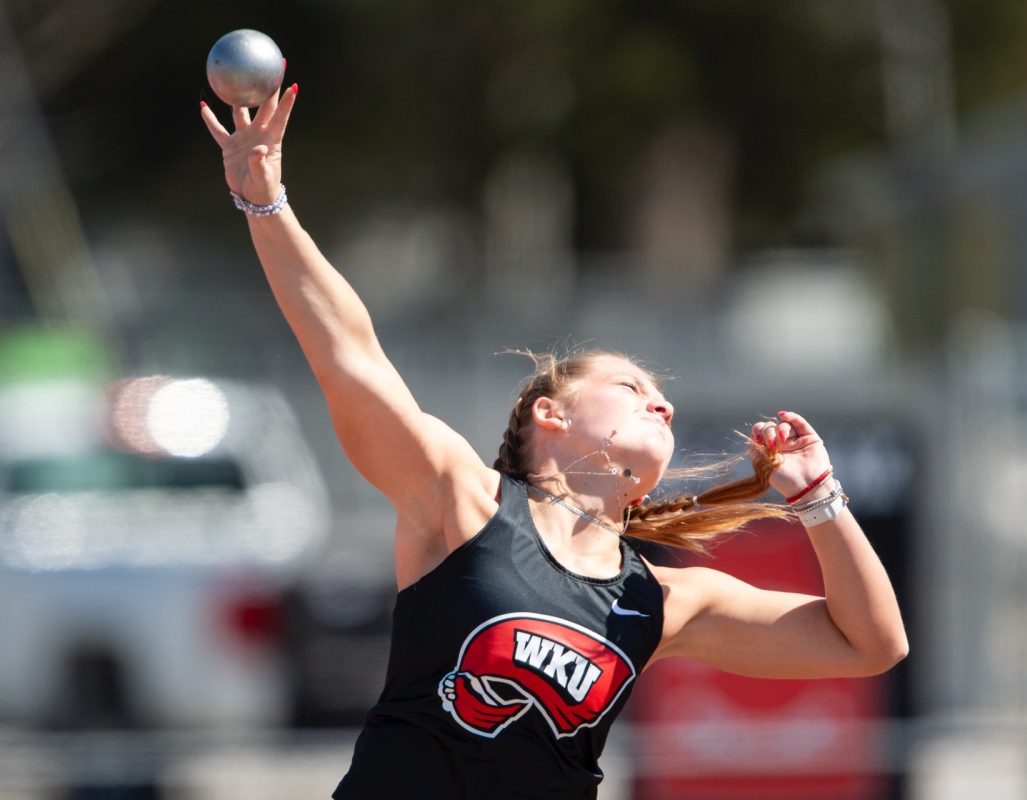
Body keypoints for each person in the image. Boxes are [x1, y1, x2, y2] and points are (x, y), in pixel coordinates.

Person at [201, 84, 907, 800]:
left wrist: (819, 499)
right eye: (631, 388)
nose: (659, 402)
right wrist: (267, 203)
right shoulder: (463, 502)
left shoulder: (659, 599)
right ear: (552, 415)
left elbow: (870, 645)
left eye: (661, 398)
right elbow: (348, 353)